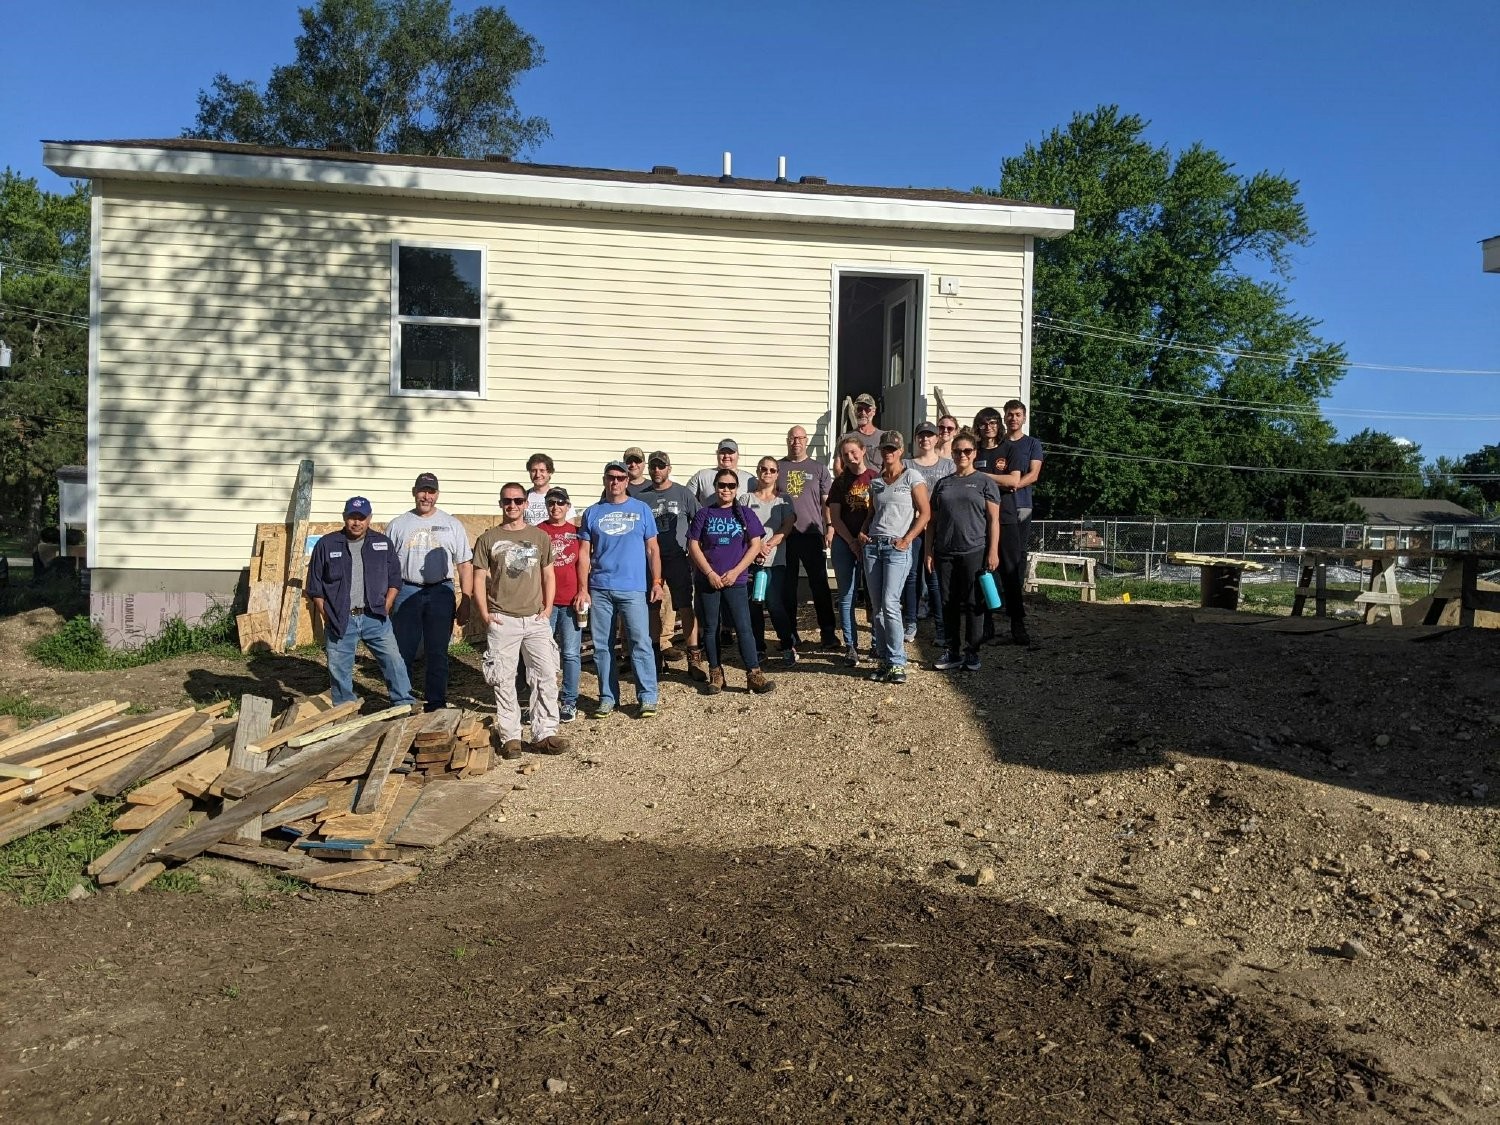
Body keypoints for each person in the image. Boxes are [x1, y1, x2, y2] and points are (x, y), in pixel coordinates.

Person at [473, 483, 567, 758]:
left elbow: (549, 575)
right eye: (507, 501)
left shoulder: (539, 537)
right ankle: (511, 737)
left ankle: (544, 734)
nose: (512, 506)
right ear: (501, 504)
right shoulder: (488, 539)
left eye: (517, 500)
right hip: (504, 620)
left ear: (526, 503)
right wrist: (485, 614)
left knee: (546, 676)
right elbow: (478, 579)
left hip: (535, 619)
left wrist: (548, 608)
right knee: (503, 679)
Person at [305, 496, 415, 709]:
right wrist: (325, 613)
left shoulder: (382, 543)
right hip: (340, 619)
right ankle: (345, 708)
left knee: (394, 661)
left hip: (375, 616)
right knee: (339, 668)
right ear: (344, 518)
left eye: (362, 518)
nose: (357, 522)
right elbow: (315, 586)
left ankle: (403, 703)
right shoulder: (327, 544)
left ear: (369, 518)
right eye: (352, 517)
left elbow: (395, 579)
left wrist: (387, 605)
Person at [576, 460, 663, 718]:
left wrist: (657, 582)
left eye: (620, 477)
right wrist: (583, 588)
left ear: (627, 481)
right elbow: (583, 554)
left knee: (641, 642)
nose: (615, 482)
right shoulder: (592, 512)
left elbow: (653, 548)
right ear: (605, 480)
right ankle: (607, 697)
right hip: (600, 588)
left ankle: (647, 696)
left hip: (634, 588)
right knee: (602, 646)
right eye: (610, 477)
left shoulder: (642, 510)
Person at [386, 472, 474, 712]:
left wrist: (465, 601)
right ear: (414, 492)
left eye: (431, 491)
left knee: (437, 651)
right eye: (422, 490)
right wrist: (387, 599)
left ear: (437, 494)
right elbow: (387, 566)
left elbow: (465, 565)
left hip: (440, 592)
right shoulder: (397, 525)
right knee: (402, 650)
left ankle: (436, 701)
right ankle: (401, 700)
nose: (426, 496)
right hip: (406, 590)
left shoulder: (452, 525)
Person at [687, 470, 775, 694]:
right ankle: (716, 672)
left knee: (744, 627)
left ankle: (753, 674)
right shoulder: (704, 513)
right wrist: (709, 573)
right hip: (709, 581)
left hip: (736, 580)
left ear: (737, 488)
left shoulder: (744, 514)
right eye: (722, 485)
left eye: (731, 486)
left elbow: (755, 544)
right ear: (716, 487)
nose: (726, 489)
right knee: (710, 628)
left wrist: (736, 571)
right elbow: (693, 545)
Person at [926, 430, 1001, 672]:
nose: (962, 455)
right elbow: (932, 522)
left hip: (974, 550)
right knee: (947, 602)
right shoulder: (943, 484)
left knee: (973, 603)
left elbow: (993, 520)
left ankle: (972, 652)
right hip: (945, 551)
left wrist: (993, 551)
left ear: (974, 453)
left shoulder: (985, 482)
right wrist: (929, 551)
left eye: (967, 451)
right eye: (958, 451)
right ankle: (952, 650)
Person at [860, 430, 930, 684]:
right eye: (885, 449)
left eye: (893, 449)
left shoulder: (912, 476)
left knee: (890, 604)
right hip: (873, 546)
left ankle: (898, 662)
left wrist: (908, 539)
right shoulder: (876, 482)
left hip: (896, 547)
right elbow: (872, 513)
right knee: (877, 608)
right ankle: (885, 660)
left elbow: (924, 513)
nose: (888, 453)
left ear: (901, 451)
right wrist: (863, 531)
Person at [635, 451, 701, 678]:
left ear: (669, 469)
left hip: (678, 558)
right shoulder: (642, 498)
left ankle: (694, 659)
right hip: (651, 559)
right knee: (652, 607)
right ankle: (656, 658)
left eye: (661, 466)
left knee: (685, 606)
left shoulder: (683, 493)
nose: (657, 471)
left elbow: (699, 520)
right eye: (653, 467)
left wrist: (695, 550)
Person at [777, 425, 839, 652]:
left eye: (801, 438)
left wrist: (829, 527)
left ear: (806, 442)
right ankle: (791, 634)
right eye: (792, 438)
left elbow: (826, 502)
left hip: (812, 533)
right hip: (786, 536)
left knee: (820, 584)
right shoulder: (778, 467)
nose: (796, 442)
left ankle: (828, 632)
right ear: (787, 441)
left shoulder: (819, 469)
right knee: (788, 586)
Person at [902, 420, 955, 646]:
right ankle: (911, 621)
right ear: (916, 439)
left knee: (934, 578)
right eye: (921, 436)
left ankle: (941, 627)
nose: (925, 439)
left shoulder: (948, 466)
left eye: (929, 435)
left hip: (938, 528)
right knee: (912, 576)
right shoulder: (907, 464)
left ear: (936, 439)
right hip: (913, 527)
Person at [998, 399, 1044, 646]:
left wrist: (1014, 484)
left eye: (1017, 414)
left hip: (1021, 505)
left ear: (1024, 418)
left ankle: (1015, 604)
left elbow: (1034, 474)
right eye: (1009, 414)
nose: (1013, 418)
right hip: (997, 506)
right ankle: (996, 604)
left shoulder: (1032, 444)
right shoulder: (999, 444)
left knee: (1017, 555)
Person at [827, 436, 876, 667]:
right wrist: (851, 542)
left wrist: (863, 538)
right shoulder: (840, 482)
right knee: (846, 595)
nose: (851, 457)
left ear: (863, 450)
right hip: (844, 542)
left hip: (871, 541)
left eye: (854, 452)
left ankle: (877, 642)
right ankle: (851, 646)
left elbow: (879, 511)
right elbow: (835, 517)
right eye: (846, 455)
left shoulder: (875, 478)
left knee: (874, 594)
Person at [744, 456, 797, 665]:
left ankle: (787, 643)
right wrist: (756, 547)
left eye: (772, 470)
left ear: (777, 474)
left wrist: (770, 544)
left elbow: (787, 525)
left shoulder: (783, 499)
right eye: (764, 469)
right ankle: (758, 647)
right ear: (758, 471)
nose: (767, 473)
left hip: (775, 560)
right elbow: (742, 527)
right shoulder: (746, 500)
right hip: (751, 560)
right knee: (753, 605)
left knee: (774, 604)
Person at [540, 486, 583, 724]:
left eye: (560, 503)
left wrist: (583, 592)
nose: (556, 507)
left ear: (568, 506)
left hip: (570, 601)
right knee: (542, 654)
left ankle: (569, 700)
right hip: (545, 602)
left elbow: (584, 565)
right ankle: (543, 699)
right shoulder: (538, 532)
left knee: (570, 653)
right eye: (551, 503)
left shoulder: (577, 533)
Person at [971, 407, 1008, 645]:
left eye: (993, 422)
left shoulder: (1006, 450)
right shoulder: (974, 451)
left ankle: (1012, 622)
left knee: (1003, 569)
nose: (988, 427)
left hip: (1003, 516)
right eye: (984, 423)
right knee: (981, 572)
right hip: (976, 520)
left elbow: (1013, 480)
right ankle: (986, 625)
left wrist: (983, 477)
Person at [687, 438, 752, 504]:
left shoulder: (749, 480)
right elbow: (686, 501)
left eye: (730, 452)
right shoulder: (701, 476)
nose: (726, 456)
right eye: (722, 453)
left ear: (738, 455)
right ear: (717, 454)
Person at [524, 453, 574, 526]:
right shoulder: (521, 498)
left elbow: (569, 528)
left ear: (550, 472)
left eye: (542, 470)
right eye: (534, 471)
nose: (537, 475)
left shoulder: (560, 497)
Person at [848, 392, 882, 463]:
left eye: (867, 410)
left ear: (874, 412)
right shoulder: (845, 438)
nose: (863, 413)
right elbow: (838, 467)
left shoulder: (883, 437)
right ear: (855, 411)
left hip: (877, 474)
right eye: (859, 409)